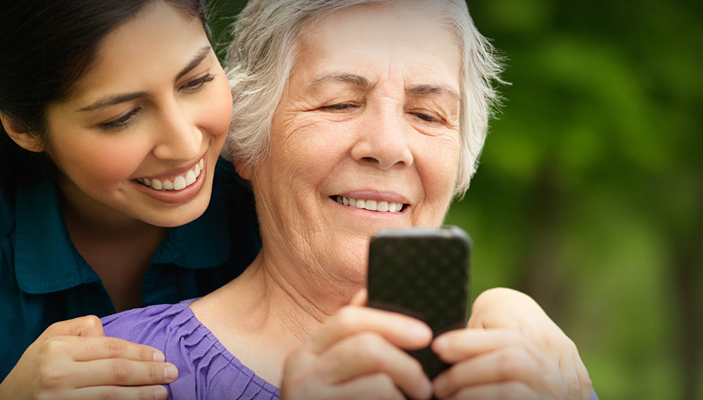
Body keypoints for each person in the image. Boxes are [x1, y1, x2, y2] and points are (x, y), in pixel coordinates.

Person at [102, 0, 595, 399]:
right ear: (249, 142)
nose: (386, 148)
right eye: (339, 103)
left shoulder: (533, 376)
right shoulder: (111, 371)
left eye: (427, 114)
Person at [0, 0, 261, 399]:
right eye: (121, 117)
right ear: (24, 128)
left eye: (197, 80)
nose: (185, 144)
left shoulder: (265, 200)